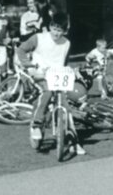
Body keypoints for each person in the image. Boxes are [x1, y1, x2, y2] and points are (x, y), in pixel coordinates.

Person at [16, 12, 85, 156]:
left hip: (56, 76)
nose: (56, 33)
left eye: (60, 30)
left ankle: (73, 140)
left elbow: (64, 62)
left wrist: (73, 71)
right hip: (39, 74)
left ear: (64, 31)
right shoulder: (39, 38)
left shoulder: (66, 43)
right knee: (46, 91)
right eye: (54, 28)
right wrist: (29, 65)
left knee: (66, 104)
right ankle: (37, 124)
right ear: (50, 27)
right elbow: (21, 49)